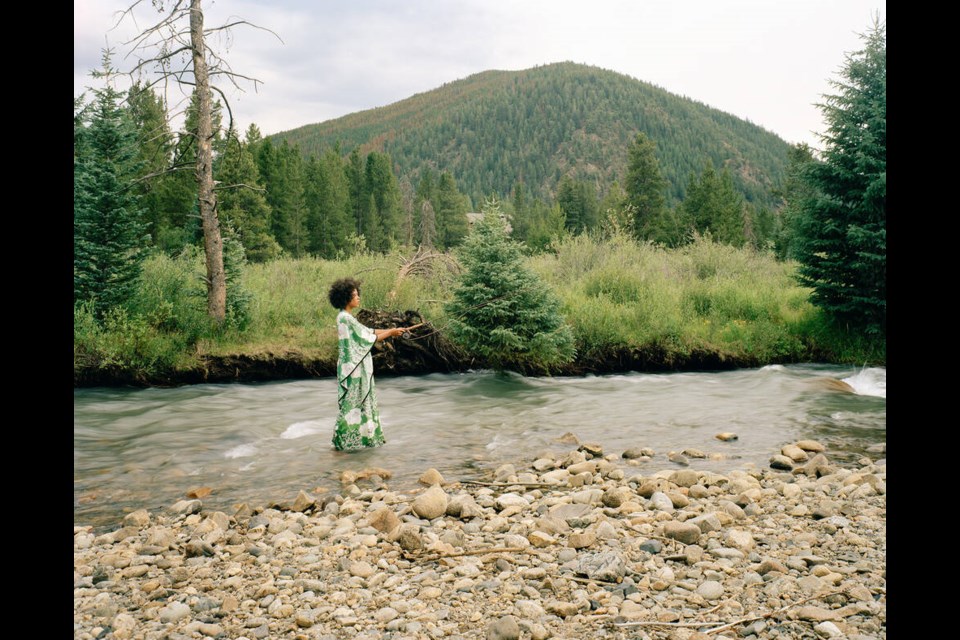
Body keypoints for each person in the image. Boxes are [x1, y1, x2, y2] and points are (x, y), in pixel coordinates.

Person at [327, 278, 421, 451]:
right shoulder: (345, 319)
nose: (358, 298)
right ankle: (345, 441)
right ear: (345, 298)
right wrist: (391, 332)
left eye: (357, 294)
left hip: (353, 367)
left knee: (357, 402)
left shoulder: (347, 317)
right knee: (352, 403)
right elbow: (368, 338)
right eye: (354, 295)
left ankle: (360, 439)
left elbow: (368, 331)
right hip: (352, 368)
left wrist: (394, 331)